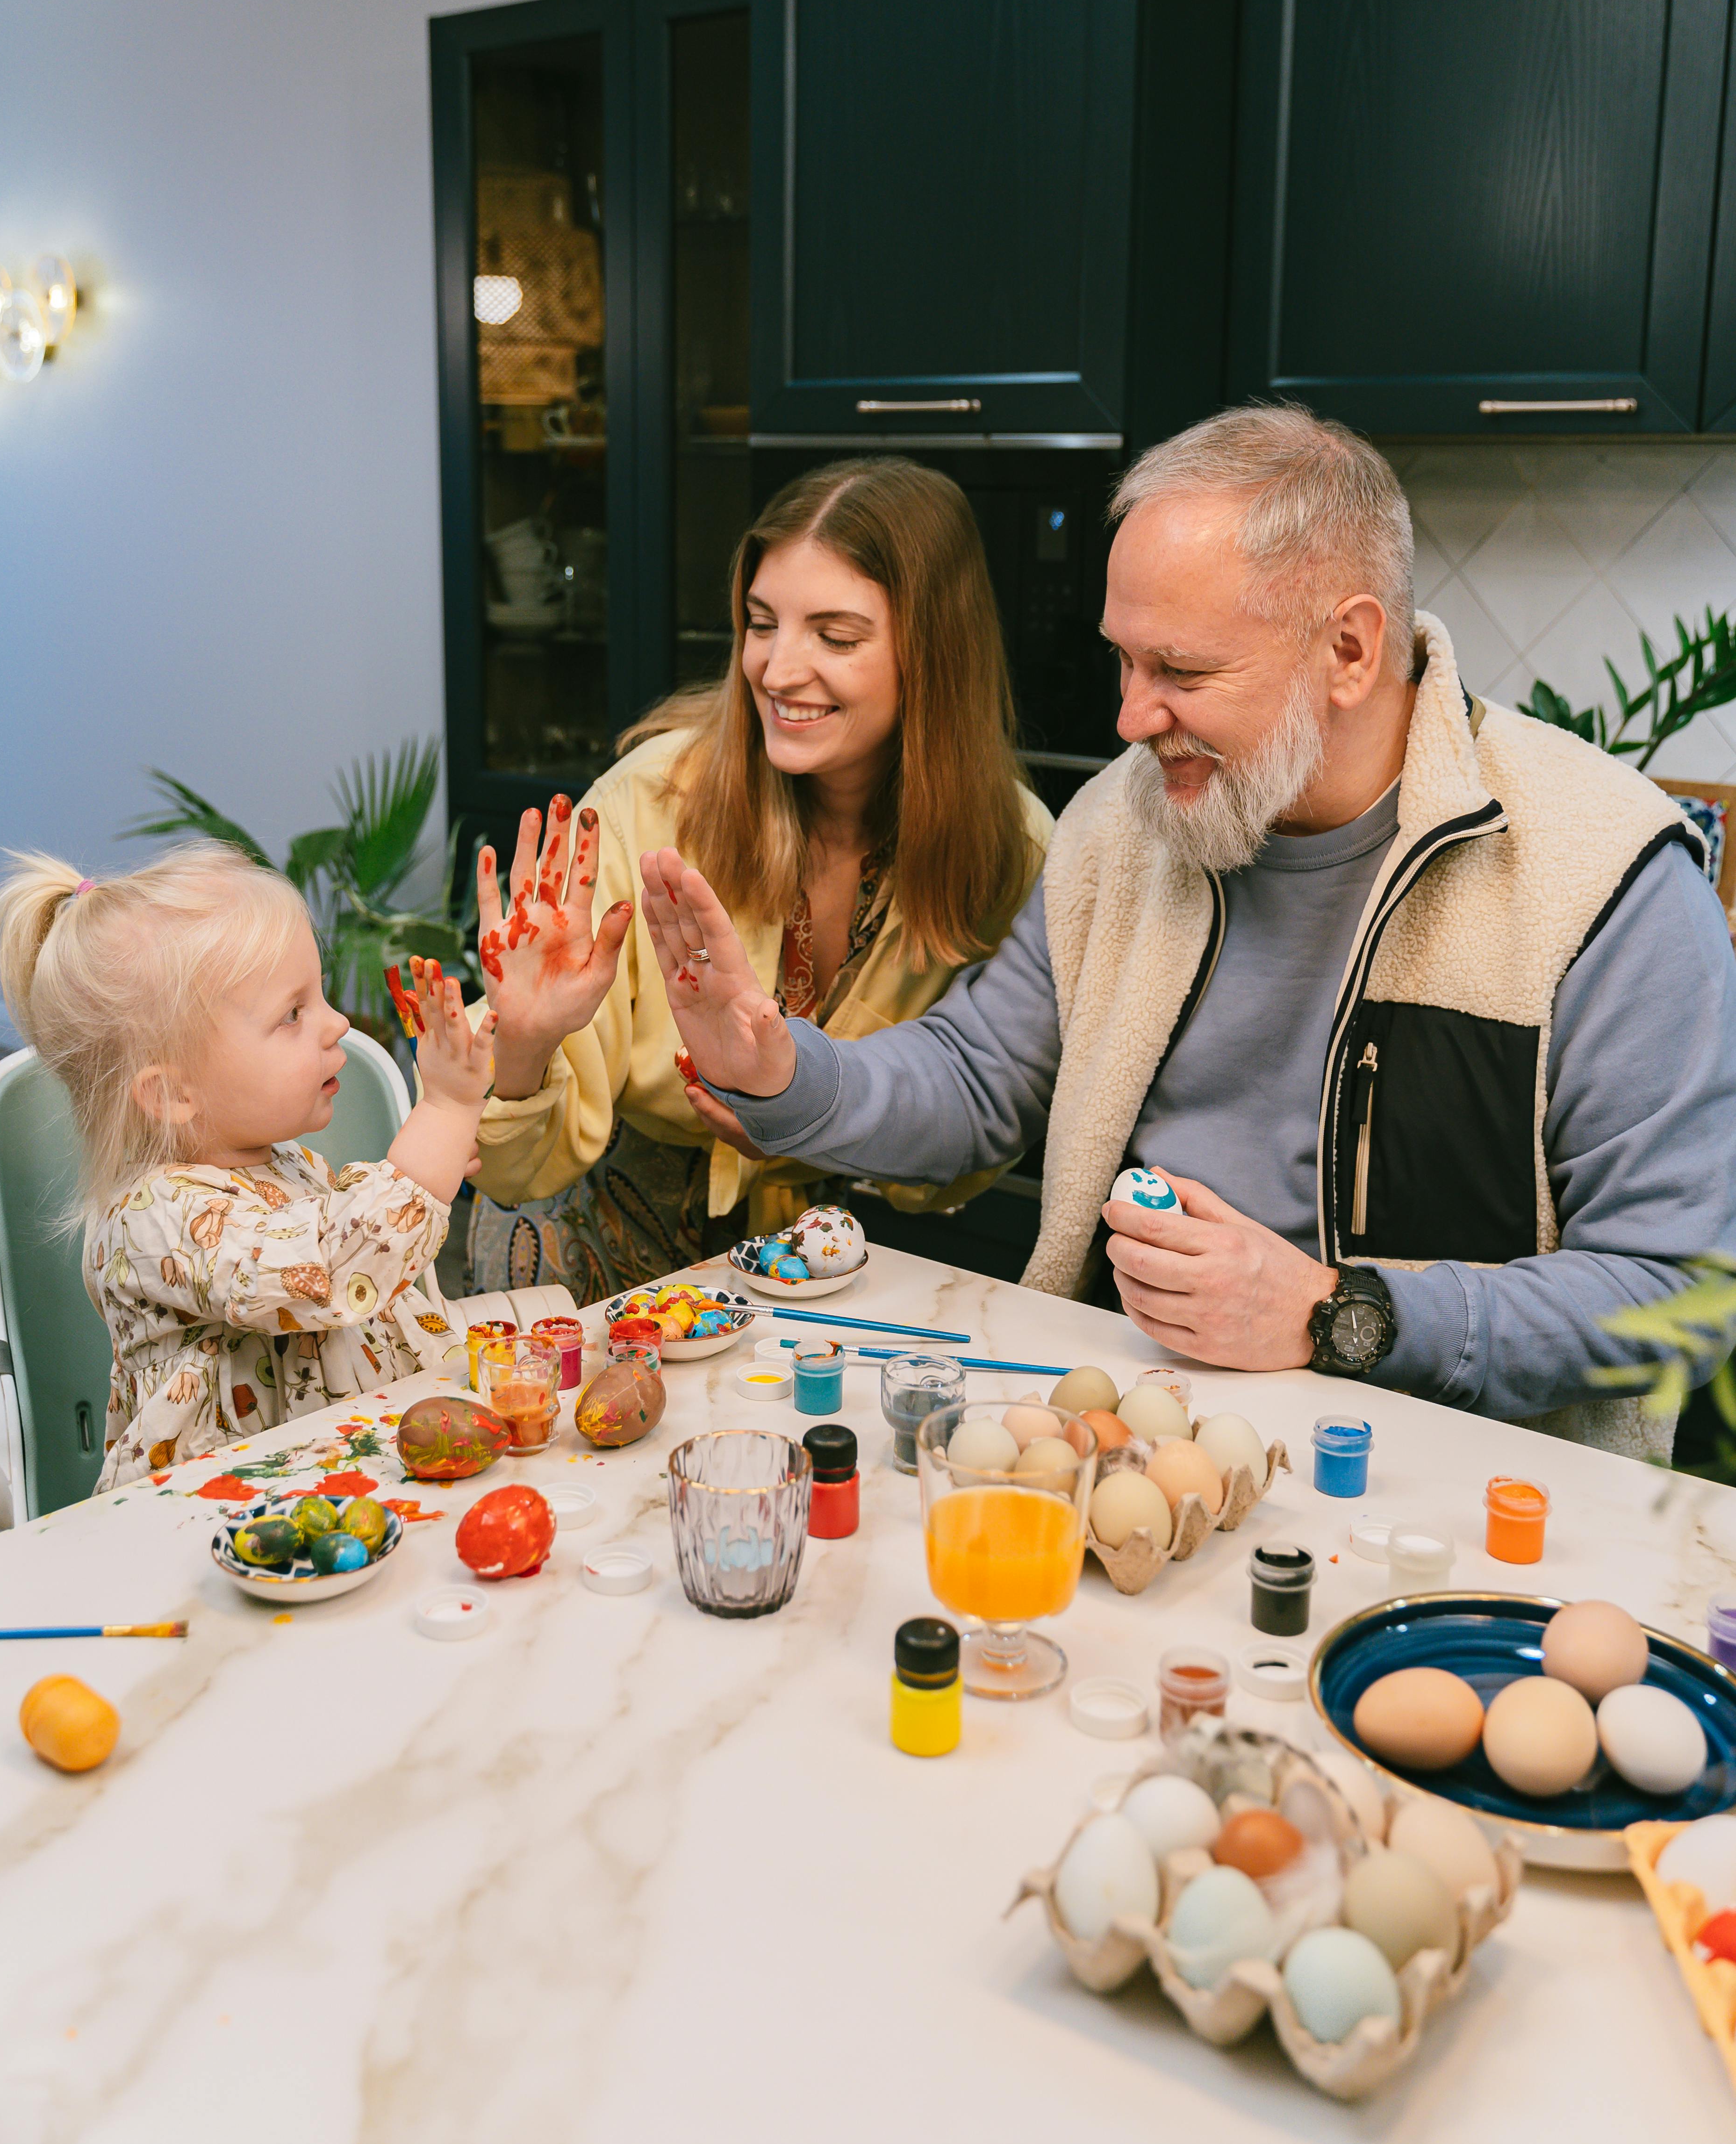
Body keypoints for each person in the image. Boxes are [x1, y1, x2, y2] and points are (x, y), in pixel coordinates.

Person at [639, 404, 1736, 1453]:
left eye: (1182, 670)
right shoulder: (1126, 826)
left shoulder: (1602, 878)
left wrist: (1332, 1312)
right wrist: (785, 1076)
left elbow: (1680, 1290)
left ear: (1350, 651)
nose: (1129, 717)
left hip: (1458, 1482)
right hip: (1124, 1418)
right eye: (1125, 657)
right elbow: (980, 1080)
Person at [466, 458, 1052, 1301]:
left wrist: (811, 1126)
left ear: (937, 651)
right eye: (761, 623)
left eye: (836, 636)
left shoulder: (1018, 852)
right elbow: (520, 1162)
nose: (776, 670)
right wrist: (521, 1045)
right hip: (585, 1247)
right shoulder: (651, 801)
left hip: (808, 1260)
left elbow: (961, 1153)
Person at [0, 845, 492, 1487]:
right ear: (172, 1095)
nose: (337, 1023)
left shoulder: (283, 1160)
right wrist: (443, 1113)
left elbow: (342, 1236)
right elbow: (331, 1273)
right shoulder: (154, 1216)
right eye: (293, 1013)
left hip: (344, 1493)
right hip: (209, 1537)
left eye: (321, 996)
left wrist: (433, 1161)